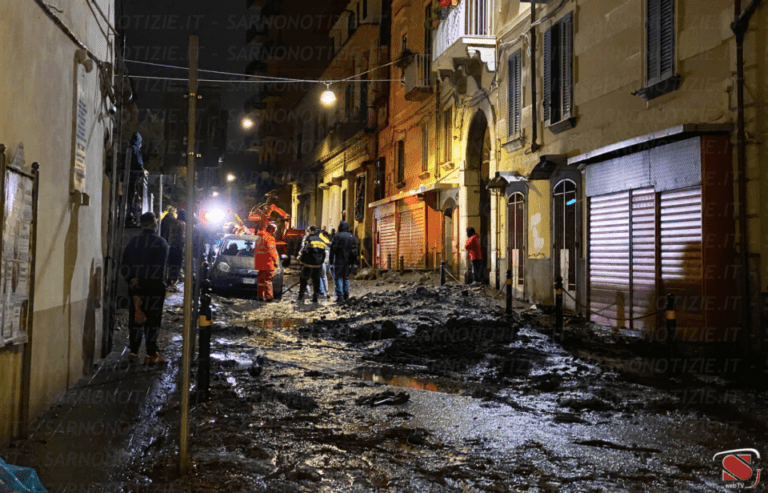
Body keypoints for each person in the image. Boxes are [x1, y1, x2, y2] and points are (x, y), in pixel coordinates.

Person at [121, 212, 169, 364]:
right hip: (154, 287)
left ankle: (134, 352)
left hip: (136, 288)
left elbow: (124, 266)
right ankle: (151, 353)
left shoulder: (133, 242)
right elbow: (158, 268)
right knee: (152, 321)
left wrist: (132, 280)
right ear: (154, 223)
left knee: (136, 318)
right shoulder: (161, 243)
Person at [298, 226, 330, 303]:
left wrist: (302, 262)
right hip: (318, 265)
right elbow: (325, 252)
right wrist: (322, 262)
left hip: (308, 265)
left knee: (303, 279)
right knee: (316, 281)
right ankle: (315, 297)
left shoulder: (309, 238)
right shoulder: (322, 239)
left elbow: (304, 251)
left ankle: (301, 295)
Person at [330, 221, 358, 302]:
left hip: (339, 260)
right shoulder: (351, 236)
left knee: (338, 277)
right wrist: (353, 262)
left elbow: (333, 249)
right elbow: (355, 250)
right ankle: (346, 295)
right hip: (348, 261)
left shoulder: (337, 236)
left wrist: (331, 261)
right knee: (346, 278)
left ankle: (340, 296)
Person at [254, 222, 279, 301]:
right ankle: (269, 297)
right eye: (274, 231)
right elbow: (271, 251)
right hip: (268, 262)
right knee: (268, 280)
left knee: (261, 280)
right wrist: (276, 261)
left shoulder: (259, 237)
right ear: (272, 230)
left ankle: (260, 296)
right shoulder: (269, 238)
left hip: (259, 263)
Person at [127, 133, 147, 226]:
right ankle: (130, 215)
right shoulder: (136, 150)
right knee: (132, 197)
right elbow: (139, 164)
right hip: (133, 177)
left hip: (127, 177)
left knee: (129, 196)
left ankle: (129, 214)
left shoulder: (128, 148)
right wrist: (143, 171)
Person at [166, 209, 186, 287]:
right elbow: (184, 236)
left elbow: (170, 234)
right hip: (179, 246)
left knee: (171, 263)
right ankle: (173, 282)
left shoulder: (173, 223)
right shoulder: (183, 224)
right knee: (178, 263)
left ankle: (169, 279)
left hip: (172, 245)